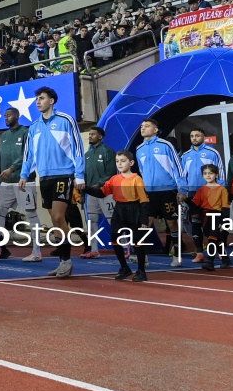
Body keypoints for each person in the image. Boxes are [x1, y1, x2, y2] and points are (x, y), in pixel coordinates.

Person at [19, 86, 86, 279]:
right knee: (55, 222)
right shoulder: (34, 127)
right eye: (37, 99)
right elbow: (29, 154)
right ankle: (62, 262)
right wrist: (24, 174)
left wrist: (79, 175)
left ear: (52, 101)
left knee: (58, 217)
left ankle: (67, 260)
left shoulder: (66, 120)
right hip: (44, 177)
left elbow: (78, 148)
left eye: (41, 98)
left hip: (64, 174)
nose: (38, 101)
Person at [86, 151, 150, 281]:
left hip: (134, 209)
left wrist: (143, 219)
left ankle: (141, 271)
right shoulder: (114, 179)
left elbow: (144, 200)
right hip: (119, 210)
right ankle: (124, 267)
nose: (119, 163)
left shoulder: (137, 179)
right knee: (115, 239)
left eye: (123, 161)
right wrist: (84, 188)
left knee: (138, 241)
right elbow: (101, 193)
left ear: (131, 163)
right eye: (117, 161)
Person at [134, 119, 189, 265]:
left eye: (146, 126)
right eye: (142, 126)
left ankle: (177, 255)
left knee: (171, 222)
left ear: (156, 129)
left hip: (167, 191)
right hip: (148, 193)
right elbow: (141, 171)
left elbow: (177, 167)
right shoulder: (139, 149)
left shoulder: (166, 145)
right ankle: (142, 257)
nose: (143, 128)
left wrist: (182, 189)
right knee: (145, 222)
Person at [0, 107, 39, 261]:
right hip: (6, 183)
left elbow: (28, 154)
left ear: (17, 116)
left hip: (25, 181)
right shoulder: (3, 136)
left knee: (31, 214)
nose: (6, 118)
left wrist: (11, 169)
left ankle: (37, 252)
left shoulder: (26, 132)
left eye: (9, 115)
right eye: (5, 115)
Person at [180, 129, 223, 264]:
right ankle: (200, 253)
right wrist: (182, 191)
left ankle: (221, 253)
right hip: (193, 194)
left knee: (213, 225)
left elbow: (221, 173)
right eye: (192, 136)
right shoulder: (185, 155)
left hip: (210, 193)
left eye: (197, 135)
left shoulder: (213, 153)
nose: (194, 138)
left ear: (204, 137)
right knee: (195, 224)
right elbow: (181, 176)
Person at [81, 126, 115, 259]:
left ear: (100, 137)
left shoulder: (108, 151)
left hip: (106, 192)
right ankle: (94, 249)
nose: (90, 136)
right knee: (92, 221)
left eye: (93, 134)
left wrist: (100, 184)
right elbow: (84, 175)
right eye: (89, 134)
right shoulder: (87, 155)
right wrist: (84, 193)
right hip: (91, 194)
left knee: (113, 220)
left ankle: (125, 247)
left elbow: (111, 172)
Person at [191, 164, 230, 272]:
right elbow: (195, 204)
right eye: (205, 173)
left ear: (216, 174)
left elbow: (225, 207)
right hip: (205, 216)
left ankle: (210, 261)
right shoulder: (201, 190)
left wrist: (224, 221)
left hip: (217, 215)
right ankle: (226, 260)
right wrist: (185, 200)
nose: (208, 175)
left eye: (210, 173)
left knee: (212, 238)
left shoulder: (222, 189)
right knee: (214, 239)